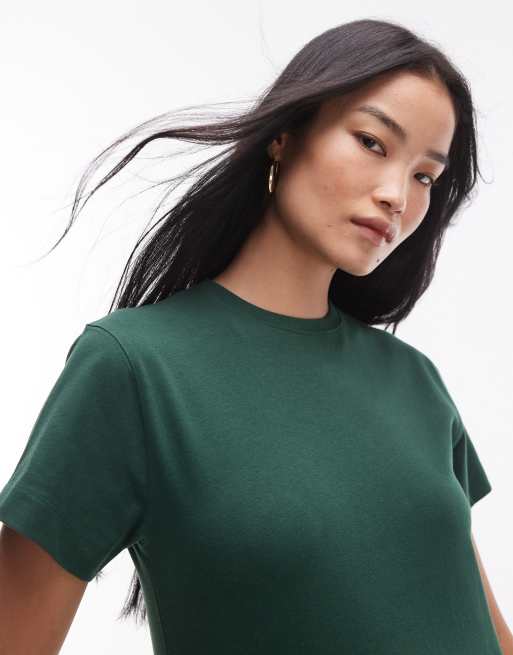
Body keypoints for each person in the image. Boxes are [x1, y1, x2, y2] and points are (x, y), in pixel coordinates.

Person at [0, 17, 511, 655]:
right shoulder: (136, 368)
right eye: (373, 142)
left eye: (425, 176)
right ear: (284, 137)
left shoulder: (414, 381)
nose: (396, 196)